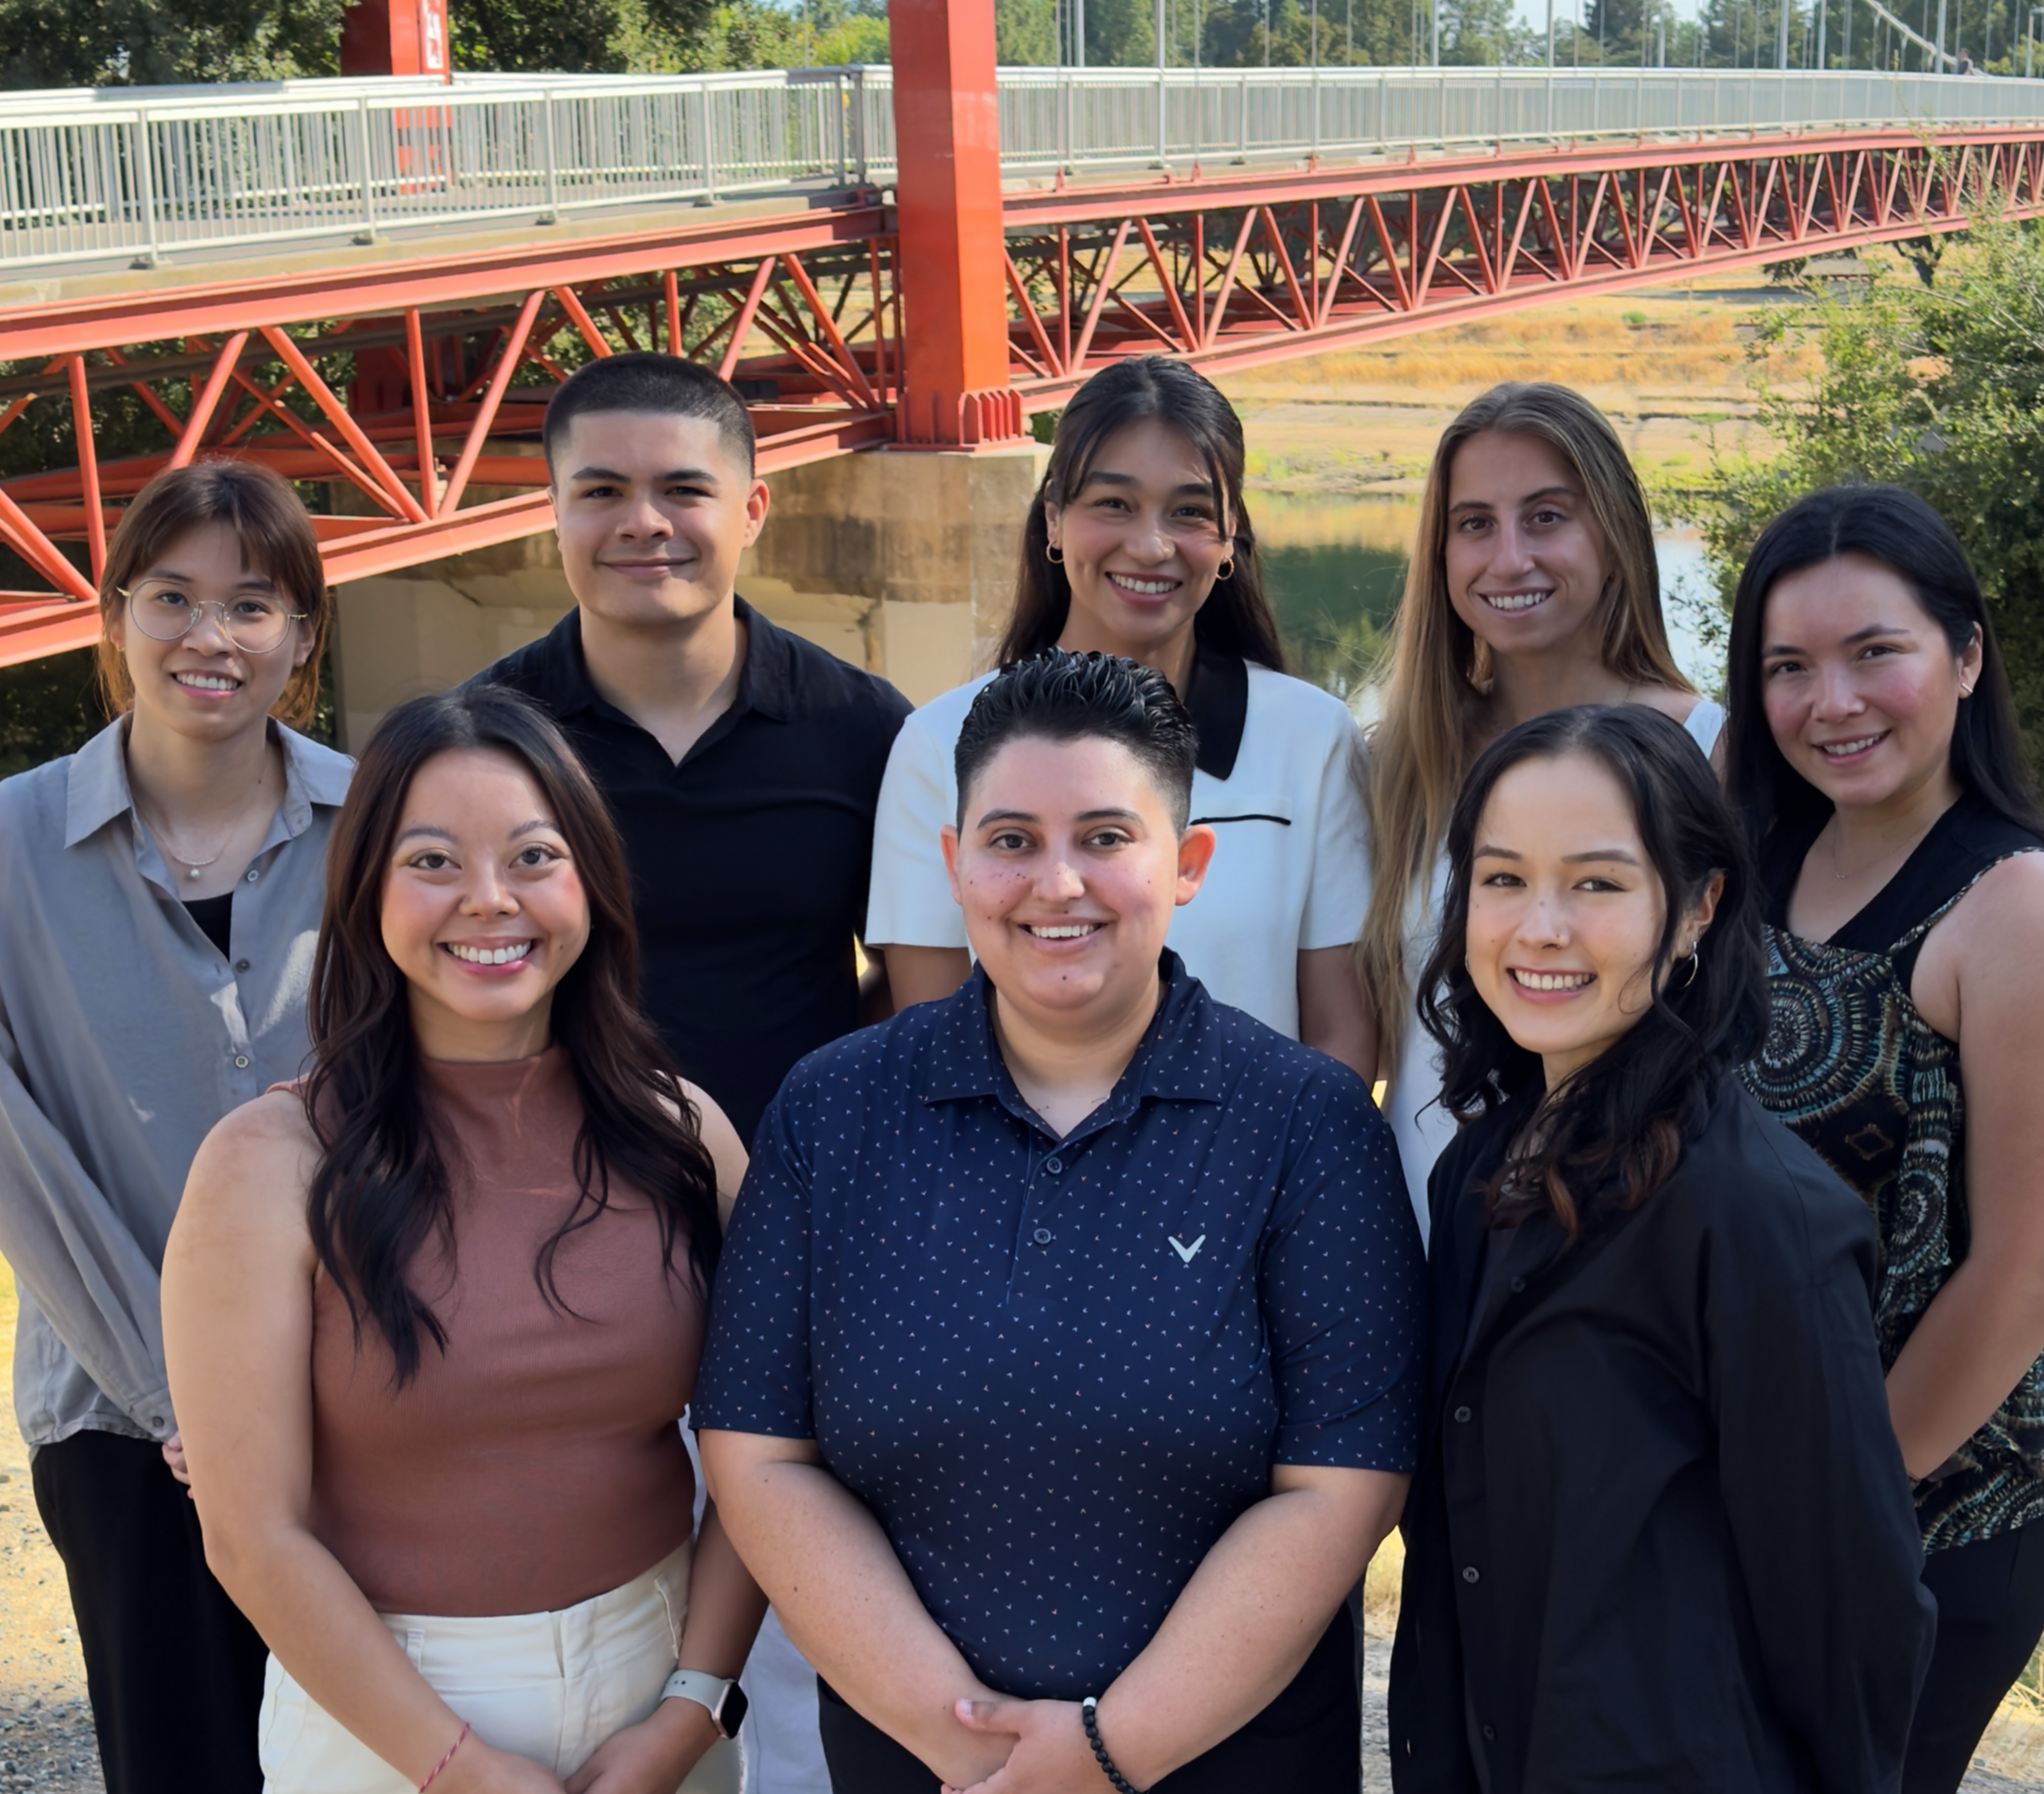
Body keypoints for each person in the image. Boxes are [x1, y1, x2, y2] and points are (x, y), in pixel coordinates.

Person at [701, 650, 1424, 1794]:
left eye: (1104, 837)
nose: (1057, 884)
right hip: (920, 1765)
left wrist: (1103, 1752)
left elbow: (1343, 1482)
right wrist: (966, 1744)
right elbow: (759, 1454)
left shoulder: (1306, 1124)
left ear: (1187, 864)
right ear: (952, 863)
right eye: (1010, 842)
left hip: (1232, 1762)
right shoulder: (831, 1113)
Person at [163, 684, 767, 1794]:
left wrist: (690, 1714)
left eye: (533, 857)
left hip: (661, 1682)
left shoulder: (684, 1133)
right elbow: (253, 1536)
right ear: (365, 896)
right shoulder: (269, 1162)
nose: (490, 902)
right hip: (385, 1716)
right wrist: (461, 1769)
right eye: (432, 862)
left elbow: (766, 1458)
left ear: (590, 881)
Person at [471, 351, 910, 1793]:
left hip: (800, 1246)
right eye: (600, 491)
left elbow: (912, 1001)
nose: (641, 522)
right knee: (585, 1608)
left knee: (792, 1635)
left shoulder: (865, 732)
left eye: (681, 489)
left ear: (754, 508)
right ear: (552, 516)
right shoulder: (493, 739)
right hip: (550, 1237)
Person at [1387, 704, 1935, 1793]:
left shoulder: (1755, 1215)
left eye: (1597, 884)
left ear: (1696, 908)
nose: (1539, 928)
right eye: (1502, 880)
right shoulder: (1476, 1171)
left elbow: (1850, 1606)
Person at [0, 458, 350, 1793]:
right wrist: (186, 1399)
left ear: (304, 638)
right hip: (122, 1424)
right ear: (113, 617)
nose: (207, 637)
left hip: (366, 1406)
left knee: (381, 1755)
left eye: (252, 603)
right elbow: (12, 1159)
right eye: (171, 596)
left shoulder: (389, 817)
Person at [1725, 485, 2044, 1794]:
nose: (1828, 700)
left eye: (1872, 652)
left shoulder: (2020, 906)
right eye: (1786, 667)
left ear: (1963, 657)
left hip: (1933, 1506)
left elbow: (2032, 1262)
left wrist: (1832, 1503)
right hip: (1757, 1492)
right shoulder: (1762, 859)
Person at [869, 358, 1376, 1078]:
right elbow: (934, 1050)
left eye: (1191, 512)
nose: (1150, 546)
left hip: (1257, 1180)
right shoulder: (936, 745)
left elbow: (1343, 1036)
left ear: (1230, 537)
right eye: (1113, 504)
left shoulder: (1313, 736)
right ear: (1052, 518)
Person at [1361, 382, 1726, 1235]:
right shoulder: (1398, 762)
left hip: (1630, 1246)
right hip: (1423, 1247)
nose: (1509, 559)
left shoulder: (1711, 750)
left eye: (1547, 516)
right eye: (1474, 524)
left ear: (1613, 533)